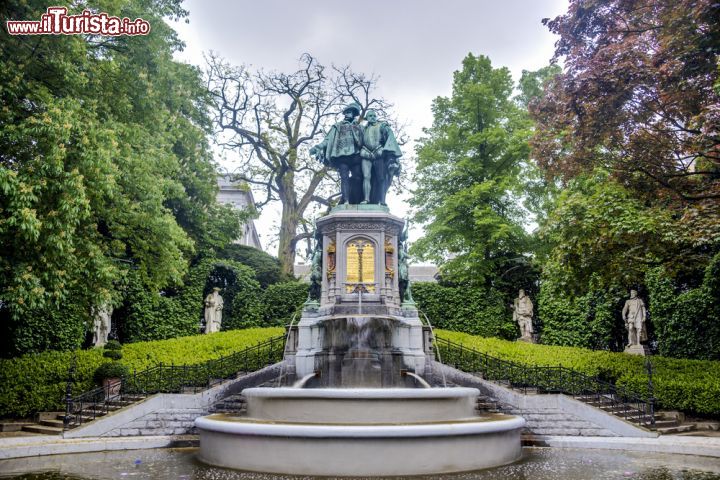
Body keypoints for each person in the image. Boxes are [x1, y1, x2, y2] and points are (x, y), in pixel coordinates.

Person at [310, 103, 364, 204]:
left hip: (356, 156)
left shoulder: (359, 127)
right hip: (342, 156)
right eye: (346, 112)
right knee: (344, 178)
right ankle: (346, 200)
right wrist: (317, 147)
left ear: (354, 114)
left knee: (358, 177)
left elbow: (367, 141)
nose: (347, 114)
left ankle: (356, 200)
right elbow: (328, 139)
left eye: (349, 112)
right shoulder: (337, 126)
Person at [360, 110, 402, 205]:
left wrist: (392, 155)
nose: (372, 117)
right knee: (366, 177)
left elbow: (390, 138)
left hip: (379, 153)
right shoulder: (363, 129)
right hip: (365, 154)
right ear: (367, 118)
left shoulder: (382, 126)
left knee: (381, 178)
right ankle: (366, 199)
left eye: (374, 116)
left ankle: (382, 200)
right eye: (370, 116)